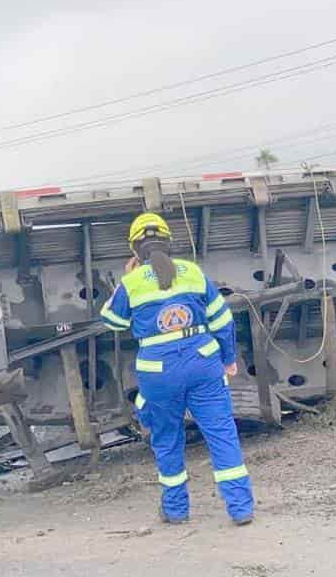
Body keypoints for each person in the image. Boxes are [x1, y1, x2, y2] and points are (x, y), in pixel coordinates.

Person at [99, 212, 254, 526]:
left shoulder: (131, 283)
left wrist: (127, 280)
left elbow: (111, 321)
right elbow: (222, 321)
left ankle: (176, 511)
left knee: (167, 438)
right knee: (222, 434)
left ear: (134, 248)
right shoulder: (194, 272)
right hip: (204, 363)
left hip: (158, 372)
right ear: (168, 243)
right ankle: (241, 510)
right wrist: (228, 358)